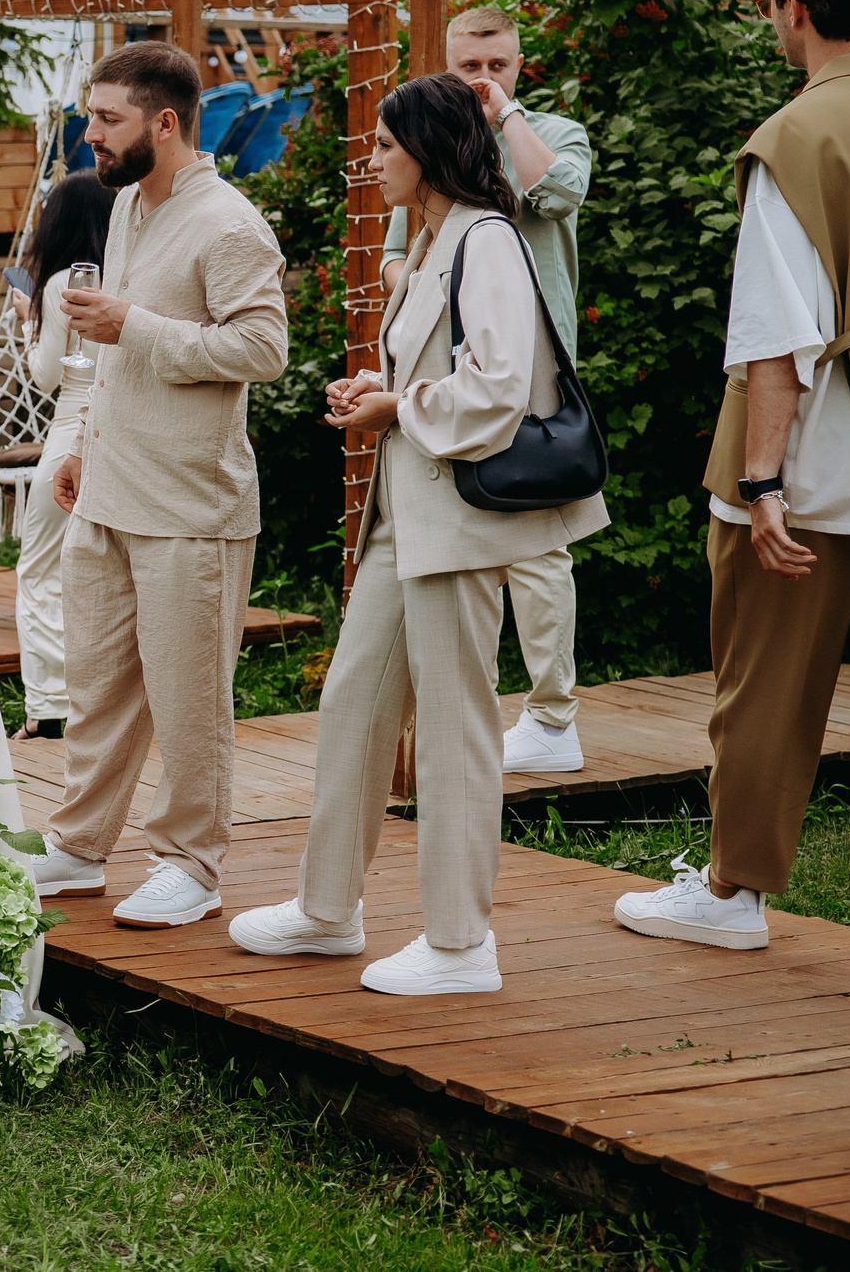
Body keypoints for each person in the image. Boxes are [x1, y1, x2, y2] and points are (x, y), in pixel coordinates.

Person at [617, 0, 850, 952]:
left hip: (820, 465)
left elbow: (776, 337)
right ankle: (729, 889)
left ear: (792, 9)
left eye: (769, 3)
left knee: (761, 687)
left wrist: (761, 483)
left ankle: (732, 893)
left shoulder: (792, 139)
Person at [231, 73, 607, 995]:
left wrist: (397, 406)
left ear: (429, 153)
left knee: (453, 724)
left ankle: (460, 943)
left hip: (461, 522)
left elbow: (500, 387)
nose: (371, 160)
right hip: (408, 517)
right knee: (352, 702)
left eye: (385, 146)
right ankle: (328, 910)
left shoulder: (487, 238)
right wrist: (381, 390)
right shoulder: (439, 239)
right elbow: (445, 370)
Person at [32, 42, 290, 928]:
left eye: (108, 119)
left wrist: (133, 324)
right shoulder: (126, 205)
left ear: (166, 123)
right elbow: (116, 351)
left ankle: (191, 864)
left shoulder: (230, 224)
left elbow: (263, 349)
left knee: (188, 702)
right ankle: (78, 846)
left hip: (190, 504)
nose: (90, 134)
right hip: (109, 487)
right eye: (91, 115)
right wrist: (83, 444)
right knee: (97, 686)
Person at [381, 7, 596, 776]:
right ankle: (474, 718)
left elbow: (560, 193)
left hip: (533, 370)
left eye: (496, 65)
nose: (481, 78)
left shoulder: (553, 131)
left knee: (537, 544)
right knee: (465, 536)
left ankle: (552, 716)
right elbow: (398, 255)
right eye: (467, 66)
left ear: (518, 64)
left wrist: (505, 117)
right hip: (444, 373)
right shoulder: (424, 142)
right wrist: (431, 302)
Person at [7, 171, 117, 735]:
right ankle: (101, 702)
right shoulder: (125, 279)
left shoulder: (58, 287)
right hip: (124, 433)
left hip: (72, 432)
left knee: (41, 568)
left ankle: (50, 706)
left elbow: (48, 375)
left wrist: (31, 319)